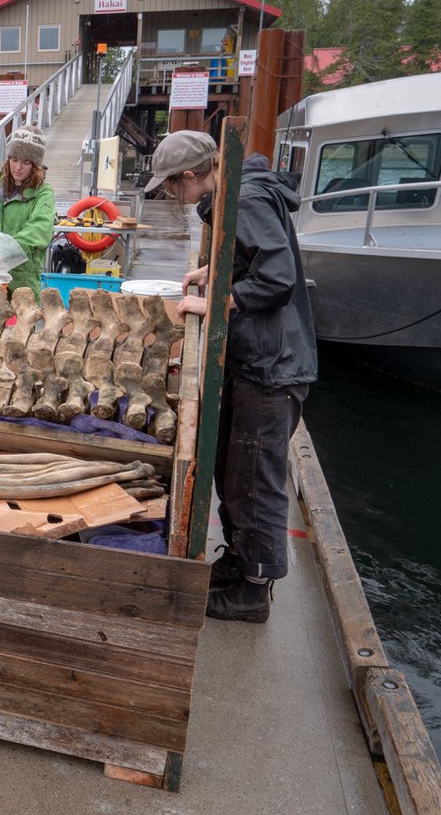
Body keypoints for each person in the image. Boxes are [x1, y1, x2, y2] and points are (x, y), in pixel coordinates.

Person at [144, 131, 317, 623]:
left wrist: (219, 300)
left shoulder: (244, 197)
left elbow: (278, 278)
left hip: (271, 364)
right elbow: (249, 259)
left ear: (193, 175)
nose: (173, 197)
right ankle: (238, 562)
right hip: (258, 357)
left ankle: (253, 590)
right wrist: (212, 273)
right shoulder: (236, 192)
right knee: (233, 472)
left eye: (173, 187)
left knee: (255, 479)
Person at [0, 125, 56, 297]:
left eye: (26, 162)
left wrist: (3, 252)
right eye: (14, 159)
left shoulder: (43, 195)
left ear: (35, 165)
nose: (18, 167)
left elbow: (39, 230)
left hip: (22, 288)